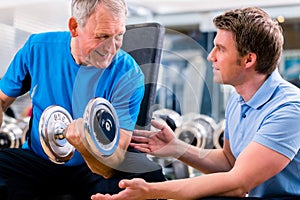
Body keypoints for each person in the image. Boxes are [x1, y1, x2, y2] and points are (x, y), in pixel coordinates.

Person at [91, 7, 300, 200]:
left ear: (248, 60)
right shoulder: (238, 99)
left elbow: (238, 183)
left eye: (220, 49)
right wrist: (176, 148)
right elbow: (229, 162)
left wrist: (151, 190)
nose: (211, 56)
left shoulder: (290, 109)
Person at [0, 0, 165, 199]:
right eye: (102, 36)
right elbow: (2, 101)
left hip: (93, 170)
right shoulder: (37, 48)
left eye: (119, 36)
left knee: (151, 178)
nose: (111, 48)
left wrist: (86, 146)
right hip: (38, 161)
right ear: (74, 27)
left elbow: (114, 162)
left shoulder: (128, 74)